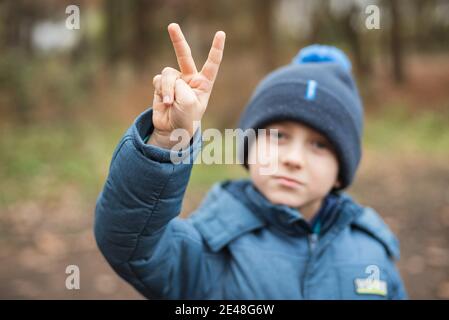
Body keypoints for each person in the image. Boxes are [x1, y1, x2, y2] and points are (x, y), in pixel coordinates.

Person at [94, 23, 407, 299]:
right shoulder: (209, 248)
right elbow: (129, 245)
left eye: (319, 145)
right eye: (279, 136)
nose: (293, 159)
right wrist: (167, 139)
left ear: (342, 170)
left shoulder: (372, 253)